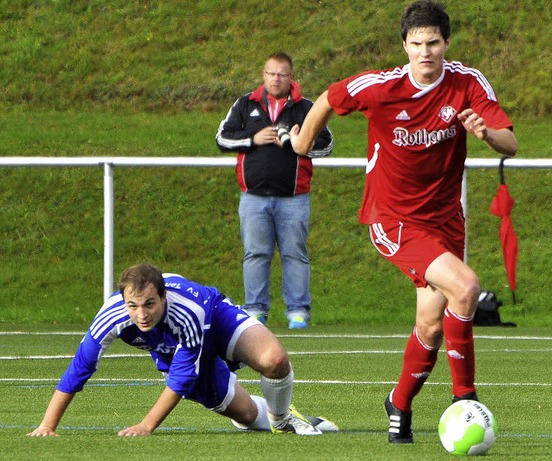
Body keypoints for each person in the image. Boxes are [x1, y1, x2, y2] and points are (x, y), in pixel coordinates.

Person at [289, 0, 518, 444]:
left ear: (447, 44)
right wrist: (301, 143)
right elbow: (330, 98)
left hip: (446, 220)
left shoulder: (467, 83)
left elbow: (511, 142)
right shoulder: (381, 86)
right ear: (405, 46)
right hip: (392, 218)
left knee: (432, 323)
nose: (425, 52)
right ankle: (464, 398)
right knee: (467, 287)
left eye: (433, 42)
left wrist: (487, 134)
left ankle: (400, 402)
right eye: (417, 44)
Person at [27, 263, 337, 437]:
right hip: (172, 347)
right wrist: (47, 426)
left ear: (163, 298)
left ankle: (283, 421)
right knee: (246, 415)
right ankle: (283, 415)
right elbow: (79, 369)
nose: (141, 314)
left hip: (214, 317)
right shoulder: (111, 317)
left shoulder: (186, 310)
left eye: (149, 304)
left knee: (275, 360)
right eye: (133, 306)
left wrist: (146, 426)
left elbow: (182, 377)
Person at [216, 52, 334, 330]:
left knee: (295, 254)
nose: (276, 79)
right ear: (263, 74)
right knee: (256, 254)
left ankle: (298, 313)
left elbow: (326, 145)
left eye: (282, 74)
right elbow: (222, 138)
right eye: (271, 73)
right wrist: (252, 139)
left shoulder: (306, 107)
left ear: (292, 77)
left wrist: (296, 143)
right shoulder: (245, 104)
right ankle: (255, 311)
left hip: (294, 197)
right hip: (253, 197)